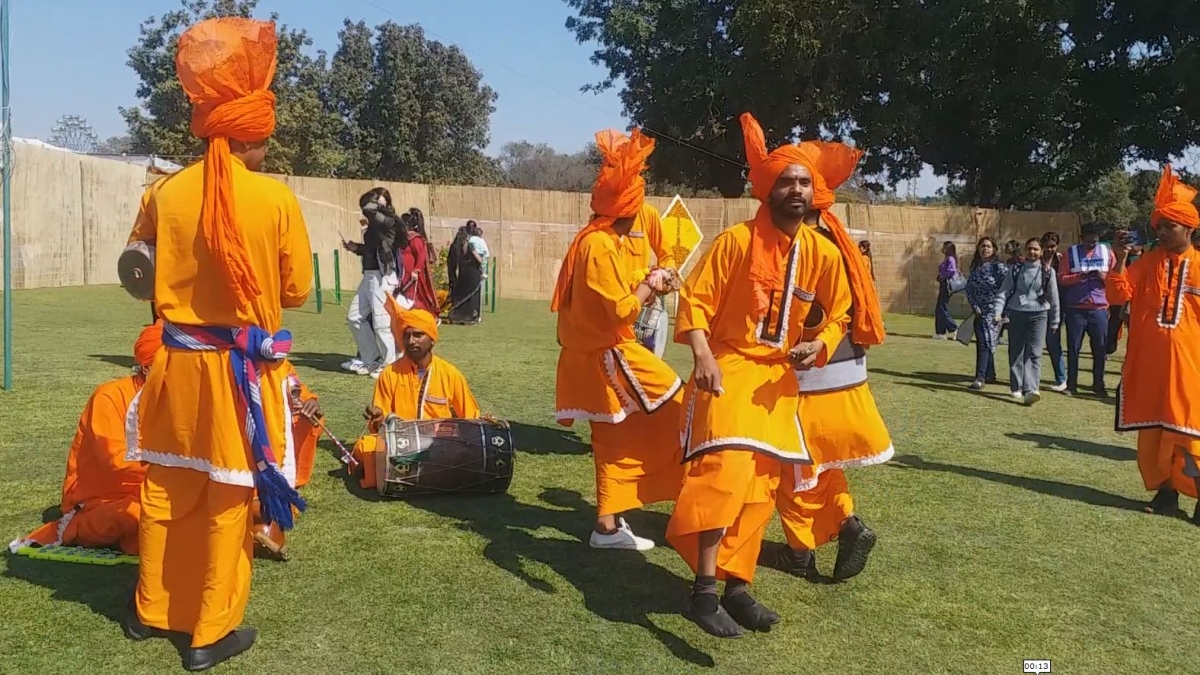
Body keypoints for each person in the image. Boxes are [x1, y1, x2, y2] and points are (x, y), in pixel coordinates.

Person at [121, 18, 313, 671]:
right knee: (230, 498)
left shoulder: (163, 192)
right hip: (239, 377)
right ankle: (209, 630)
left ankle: (152, 609)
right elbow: (296, 287)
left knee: (167, 489)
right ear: (254, 134)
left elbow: (136, 271)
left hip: (175, 367)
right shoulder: (277, 200)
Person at [667, 112, 851, 638]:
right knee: (723, 473)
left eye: (804, 182)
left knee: (762, 486)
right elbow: (694, 302)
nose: (795, 189)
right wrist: (701, 355)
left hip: (778, 383)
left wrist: (819, 342)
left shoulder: (822, 253)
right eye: (786, 181)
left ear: (814, 194)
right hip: (728, 369)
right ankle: (703, 593)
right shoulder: (735, 241)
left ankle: (737, 587)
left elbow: (840, 314)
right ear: (768, 189)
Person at [551, 128, 684, 552]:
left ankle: (609, 523)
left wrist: (662, 273)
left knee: (618, 436)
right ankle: (664, 499)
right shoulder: (598, 247)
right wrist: (651, 282)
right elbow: (623, 309)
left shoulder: (609, 232)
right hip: (607, 352)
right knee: (680, 407)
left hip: (604, 350)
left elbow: (665, 259)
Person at [772, 141, 892, 584]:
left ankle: (804, 550)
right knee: (821, 463)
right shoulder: (837, 240)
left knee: (794, 465)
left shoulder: (805, 248)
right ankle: (845, 526)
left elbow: (806, 315)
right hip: (846, 372)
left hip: (812, 372)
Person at [9, 323, 163, 556]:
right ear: (147, 366)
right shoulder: (109, 396)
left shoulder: (178, 398)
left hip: (156, 491)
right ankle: (72, 528)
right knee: (137, 515)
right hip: (99, 501)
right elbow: (117, 461)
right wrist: (176, 469)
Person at [1107, 166, 1200, 522]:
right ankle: (1165, 493)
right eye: (1159, 226)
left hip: (1190, 370)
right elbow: (1118, 294)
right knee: (1154, 434)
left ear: (1189, 228)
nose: (1162, 231)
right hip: (1150, 367)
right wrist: (1119, 259)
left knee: (1187, 435)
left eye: (1169, 226)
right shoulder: (1148, 263)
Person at [352, 302, 481, 490]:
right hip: (400, 446)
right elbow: (380, 427)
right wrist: (378, 417)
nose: (411, 341)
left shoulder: (450, 374)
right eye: (407, 335)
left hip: (438, 446)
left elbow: (471, 418)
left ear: (432, 339)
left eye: (418, 335)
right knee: (367, 447)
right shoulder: (390, 374)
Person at [992, 238, 1060, 405]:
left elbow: (1054, 296)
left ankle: (1031, 389)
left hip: (1040, 315)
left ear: (1041, 251)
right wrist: (997, 312)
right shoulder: (1015, 269)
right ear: (1024, 250)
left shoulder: (1047, 271)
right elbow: (1003, 292)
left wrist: (1055, 320)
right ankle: (1016, 386)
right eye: (1029, 248)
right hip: (1017, 313)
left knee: (1035, 353)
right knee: (1016, 351)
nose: (1032, 252)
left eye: (1036, 249)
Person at [343, 188, 400, 378]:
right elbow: (370, 249)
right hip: (369, 275)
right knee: (354, 317)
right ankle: (372, 358)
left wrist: (377, 203)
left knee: (382, 322)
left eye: (378, 201)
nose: (373, 205)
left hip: (382, 276)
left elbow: (370, 211)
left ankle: (390, 364)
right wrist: (354, 248)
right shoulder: (374, 223)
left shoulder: (389, 221)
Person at [1057, 221, 1116, 397]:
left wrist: (1104, 276)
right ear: (1081, 238)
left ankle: (1098, 385)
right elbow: (1061, 278)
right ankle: (1071, 385)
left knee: (1100, 349)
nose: (1091, 244)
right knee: (1073, 349)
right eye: (1088, 241)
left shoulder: (1107, 253)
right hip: (1076, 308)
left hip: (1099, 308)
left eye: (1095, 242)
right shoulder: (1071, 253)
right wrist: (1080, 276)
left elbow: (1116, 279)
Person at [626, 203, 678, 357]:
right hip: (610, 305)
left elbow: (667, 256)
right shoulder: (602, 219)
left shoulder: (648, 214)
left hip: (639, 307)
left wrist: (666, 275)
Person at [965, 237, 1006, 390]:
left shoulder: (999, 268)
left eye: (988, 246)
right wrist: (975, 306)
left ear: (994, 249)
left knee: (985, 343)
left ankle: (980, 377)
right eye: (982, 246)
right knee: (985, 343)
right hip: (979, 312)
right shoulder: (976, 268)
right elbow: (969, 289)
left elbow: (1007, 288)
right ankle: (990, 374)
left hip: (995, 312)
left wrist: (1003, 310)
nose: (985, 249)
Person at [1040, 232, 1068, 391]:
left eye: (1053, 246)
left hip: (1057, 307)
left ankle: (1061, 378)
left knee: (1053, 343)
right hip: (1038, 306)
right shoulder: (1037, 260)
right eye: (1047, 246)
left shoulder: (1062, 260)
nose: (1050, 249)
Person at [397, 208, 439, 313]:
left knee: (416, 294)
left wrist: (416, 270)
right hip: (403, 272)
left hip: (412, 273)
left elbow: (421, 255)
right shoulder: (403, 237)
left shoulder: (415, 239)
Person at [447, 221, 486, 324]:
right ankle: (470, 315)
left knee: (463, 294)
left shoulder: (456, 246)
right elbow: (479, 259)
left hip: (463, 273)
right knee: (472, 295)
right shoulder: (470, 246)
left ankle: (459, 314)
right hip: (473, 272)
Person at [934, 241, 959, 338]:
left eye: (944, 247)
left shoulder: (950, 259)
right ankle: (940, 332)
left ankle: (953, 328)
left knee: (942, 308)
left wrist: (943, 276)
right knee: (939, 309)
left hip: (947, 286)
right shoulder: (946, 259)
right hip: (943, 285)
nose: (942, 248)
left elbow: (952, 270)